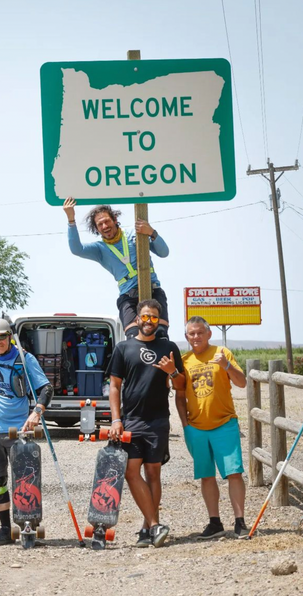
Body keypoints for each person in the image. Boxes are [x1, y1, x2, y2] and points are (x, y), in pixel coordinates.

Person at [0, 317, 53, 546]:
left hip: (19, 431)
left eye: (2, 337)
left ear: (9, 336)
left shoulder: (25, 358)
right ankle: (5, 529)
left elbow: (46, 388)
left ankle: (28, 525)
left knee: (25, 481)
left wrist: (37, 412)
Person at [108, 299, 185, 548]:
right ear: (137, 319)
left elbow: (181, 385)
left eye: (153, 317)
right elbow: (114, 386)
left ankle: (147, 528)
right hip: (131, 421)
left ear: (159, 321)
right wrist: (116, 419)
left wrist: (173, 371)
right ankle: (155, 525)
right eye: (145, 316)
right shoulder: (123, 348)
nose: (149, 321)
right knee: (131, 472)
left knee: (153, 473)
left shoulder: (169, 347)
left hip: (158, 421)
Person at [176, 316, 249, 540]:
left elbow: (242, 382)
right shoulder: (184, 360)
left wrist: (226, 366)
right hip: (196, 428)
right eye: (192, 333)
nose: (196, 337)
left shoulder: (222, 353)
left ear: (209, 333)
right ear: (186, 337)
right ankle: (214, 522)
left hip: (224, 424)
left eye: (200, 332)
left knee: (234, 473)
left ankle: (240, 522)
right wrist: (186, 425)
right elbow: (179, 395)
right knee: (206, 476)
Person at [63, 197, 170, 339]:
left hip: (153, 289)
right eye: (100, 224)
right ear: (97, 229)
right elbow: (77, 249)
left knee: (161, 334)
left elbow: (164, 252)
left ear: (114, 219)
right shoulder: (99, 249)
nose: (104, 226)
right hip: (128, 296)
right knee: (133, 337)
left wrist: (152, 232)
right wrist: (71, 220)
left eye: (107, 221)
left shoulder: (135, 233)